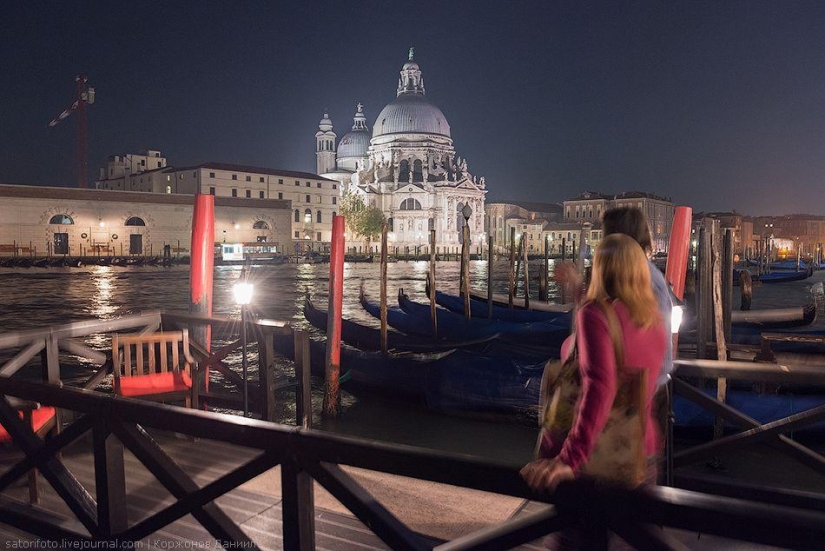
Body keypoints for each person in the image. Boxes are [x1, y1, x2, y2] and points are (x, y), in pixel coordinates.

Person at [521, 233, 667, 494]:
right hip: (641, 450)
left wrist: (569, 458)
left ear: (600, 268)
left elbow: (601, 385)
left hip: (597, 457)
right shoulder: (653, 318)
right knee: (637, 533)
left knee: (571, 534)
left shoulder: (594, 314)